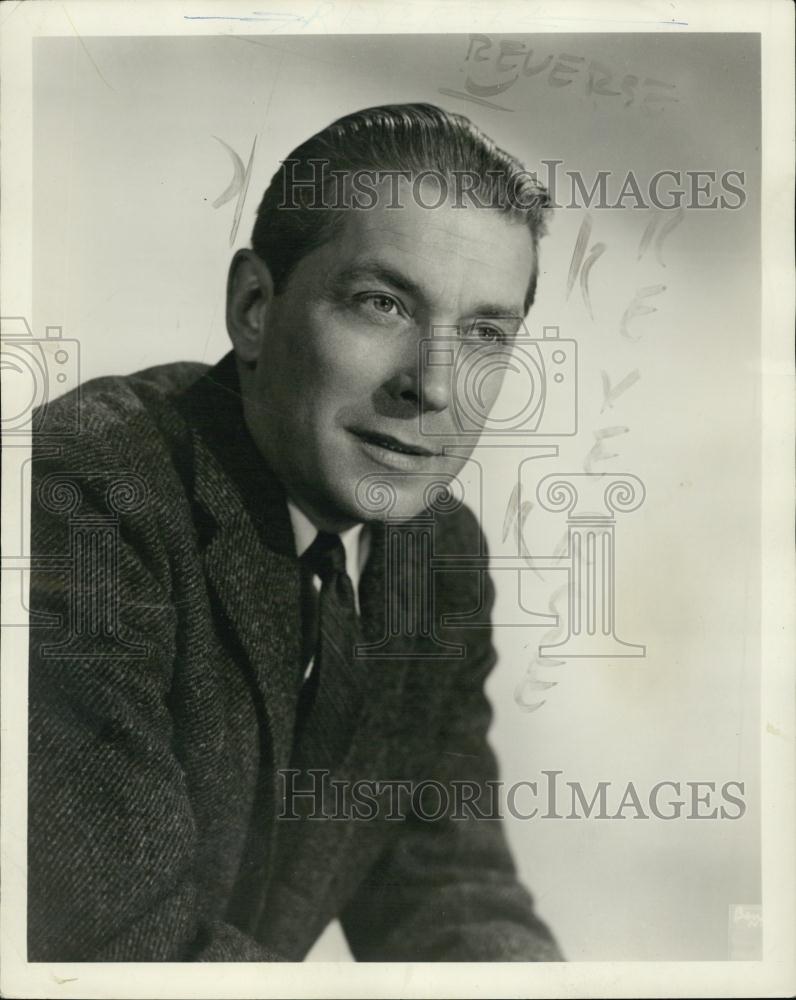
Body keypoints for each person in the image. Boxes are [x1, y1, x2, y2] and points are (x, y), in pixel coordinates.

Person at [27, 103, 562, 962]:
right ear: (253, 307)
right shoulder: (90, 490)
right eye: (382, 303)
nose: (432, 385)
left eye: (484, 334)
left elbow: (448, 890)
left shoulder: (436, 556)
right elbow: (118, 950)